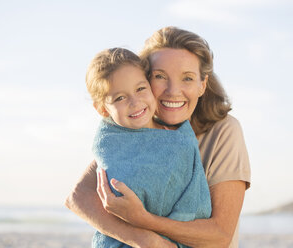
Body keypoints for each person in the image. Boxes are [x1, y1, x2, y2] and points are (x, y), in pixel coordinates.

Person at [65, 26, 251, 248]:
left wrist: (145, 221)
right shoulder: (135, 129)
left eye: (188, 78)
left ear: (202, 85)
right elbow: (78, 197)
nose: (173, 90)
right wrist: (140, 238)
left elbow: (220, 235)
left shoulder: (224, 132)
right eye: (160, 76)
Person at [85, 47, 211, 248]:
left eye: (140, 89)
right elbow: (119, 189)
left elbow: (194, 201)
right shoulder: (110, 142)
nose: (135, 103)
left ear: (150, 86)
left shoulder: (180, 136)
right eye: (120, 98)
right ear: (101, 108)